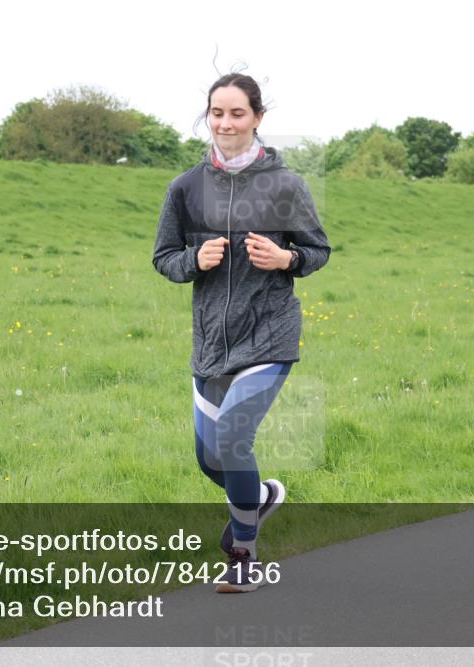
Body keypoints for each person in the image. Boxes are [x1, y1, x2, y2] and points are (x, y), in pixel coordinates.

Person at [152, 73, 331, 593]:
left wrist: (286, 258)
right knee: (210, 460)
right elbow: (163, 258)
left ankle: (243, 557)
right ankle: (262, 499)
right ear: (207, 117)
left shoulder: (285, 186)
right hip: (212, 342)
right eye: (216, 113)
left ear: (256, 118)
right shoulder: (185, 188)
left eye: (236, 113)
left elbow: (317, 250)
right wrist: (193, 259)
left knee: (233, 438)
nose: (225, 123)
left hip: (269, 333)